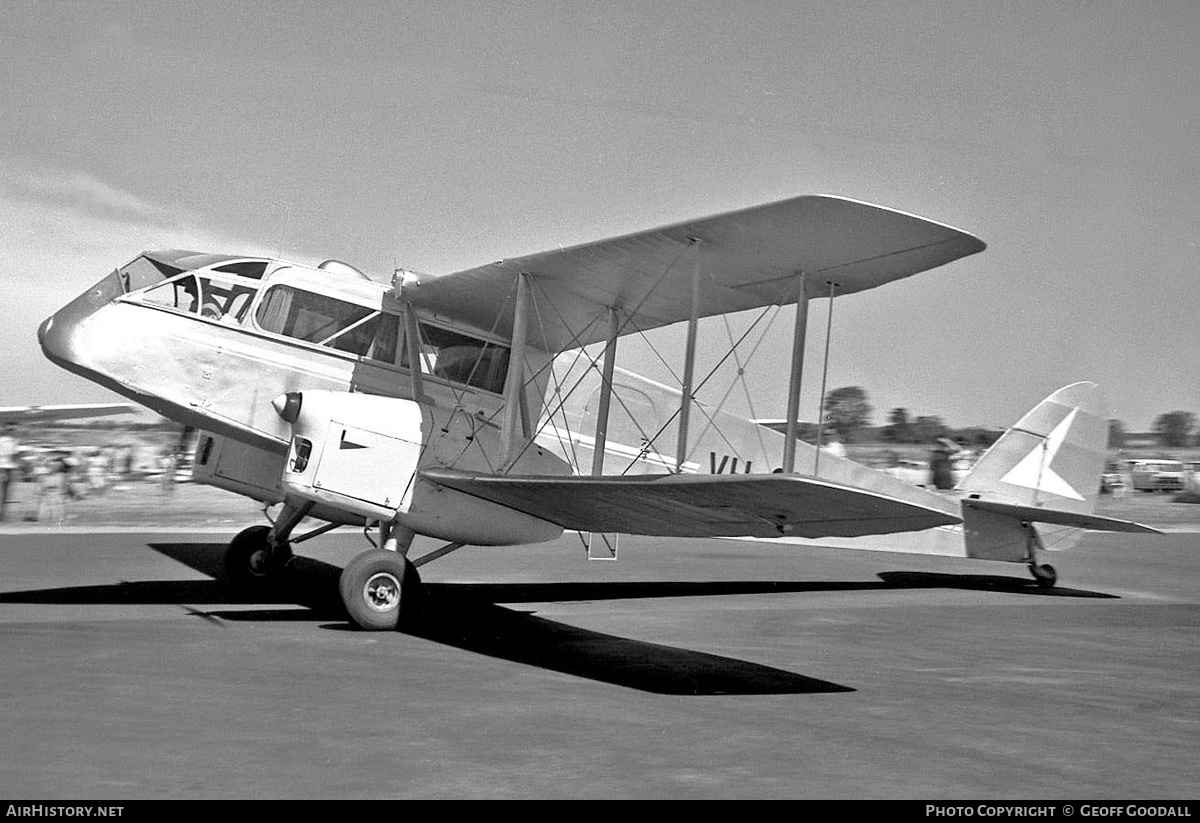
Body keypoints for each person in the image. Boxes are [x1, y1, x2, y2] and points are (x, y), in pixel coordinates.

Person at [0, 425, 17, 521]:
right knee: (5, 491)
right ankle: (2, 512)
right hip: (7, 467)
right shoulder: (13, 441)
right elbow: (13, 455)